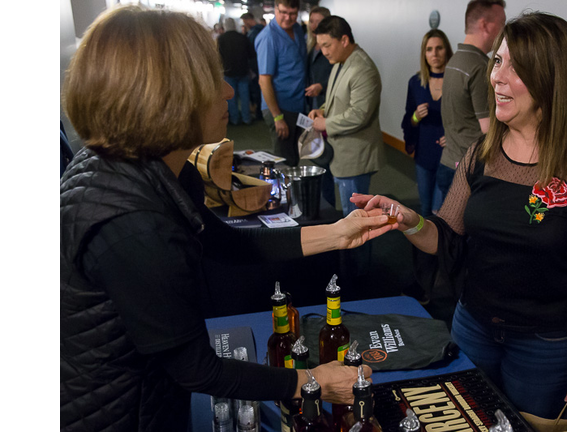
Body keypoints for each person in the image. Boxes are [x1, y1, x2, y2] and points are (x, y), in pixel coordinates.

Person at [60, 6, 389, 431]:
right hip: (119, 412)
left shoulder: (153, 167)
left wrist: (336, 233)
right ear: (167, 98)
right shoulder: (131, 225)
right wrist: (311, 380)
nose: (229, 93)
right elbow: (197, 369)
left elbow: (228, 243)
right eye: (212, 80)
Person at [352, 12, 567, 420]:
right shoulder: (482, 153)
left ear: (552, 80)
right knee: (471, 419)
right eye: (498, 61)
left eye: (516, 67)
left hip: (544, 345)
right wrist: (410, 221)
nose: (496, 77)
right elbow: (447, 236)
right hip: (472, 325)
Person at [308, 16, 385, 217]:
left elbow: (359, 115)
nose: (323, 52)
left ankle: (357, 251)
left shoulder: (362, 68)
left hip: (355, 159)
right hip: (342, 155)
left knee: (356, 221)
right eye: (320, 46)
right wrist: (323, 109)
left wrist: (325, 123)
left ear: (344, 40)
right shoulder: (340, 62)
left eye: (327, 45)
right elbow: (336, 98)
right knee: (351, 218)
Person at [437, 0, 506, 206]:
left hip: (448, 162)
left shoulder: (455, 61)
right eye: (502, 23)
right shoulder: (480, 67)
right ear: (485, 25)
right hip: (467, 169)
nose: (504, 31)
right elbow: (488, 128)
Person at [402, 29, 453, 216]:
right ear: (424, 53)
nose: (435, 54)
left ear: (446, 50)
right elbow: (408, 119)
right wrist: (416, 116)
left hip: (448, 155)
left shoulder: (456, 81)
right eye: (429, 49)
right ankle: (423, 246)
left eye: (439, 48)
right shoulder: (416, 82)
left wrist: (454, 138)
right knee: (424, 209)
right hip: (424, 154)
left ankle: (441, 245)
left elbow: (468, 119)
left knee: (440, 211)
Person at [254, 0, 307, 167]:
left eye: (292, 13)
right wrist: (278, 117)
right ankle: (283, 193)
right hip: (280, 107)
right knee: (284, 162)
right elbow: (264, 81)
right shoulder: (268, 37)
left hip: (298, 105)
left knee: (295, 155)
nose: (287, 18)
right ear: (275, 9)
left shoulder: (297, 29)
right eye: (283, 12)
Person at [305, 6, 336, 207]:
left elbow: (336, 81)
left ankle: (329, 208)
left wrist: (321, 86)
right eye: (312, 21)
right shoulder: (310, 45)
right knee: (319, 159)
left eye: (320, 21)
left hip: (329, 108)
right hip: (316, 107)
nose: (315, 25)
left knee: (327, 162)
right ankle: (325, 207)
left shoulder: (331, 48)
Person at [218, 18, 252, 125]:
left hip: (228, 72)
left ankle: (234, 119)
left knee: (231, 98)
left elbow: (219, 56)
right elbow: (251, 54)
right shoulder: (242, 37)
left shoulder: (221, 39)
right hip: (243, 71)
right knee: (244, 96)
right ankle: (246, 118)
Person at [241, 12, 264, 120]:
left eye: (245, 22)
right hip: (259, 65)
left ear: (250, 20)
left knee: (258, 90)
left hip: (256, 66)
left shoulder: (254, 33)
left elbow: (251, 51)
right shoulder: (261, 30)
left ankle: (260, 112)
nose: (245, 25)